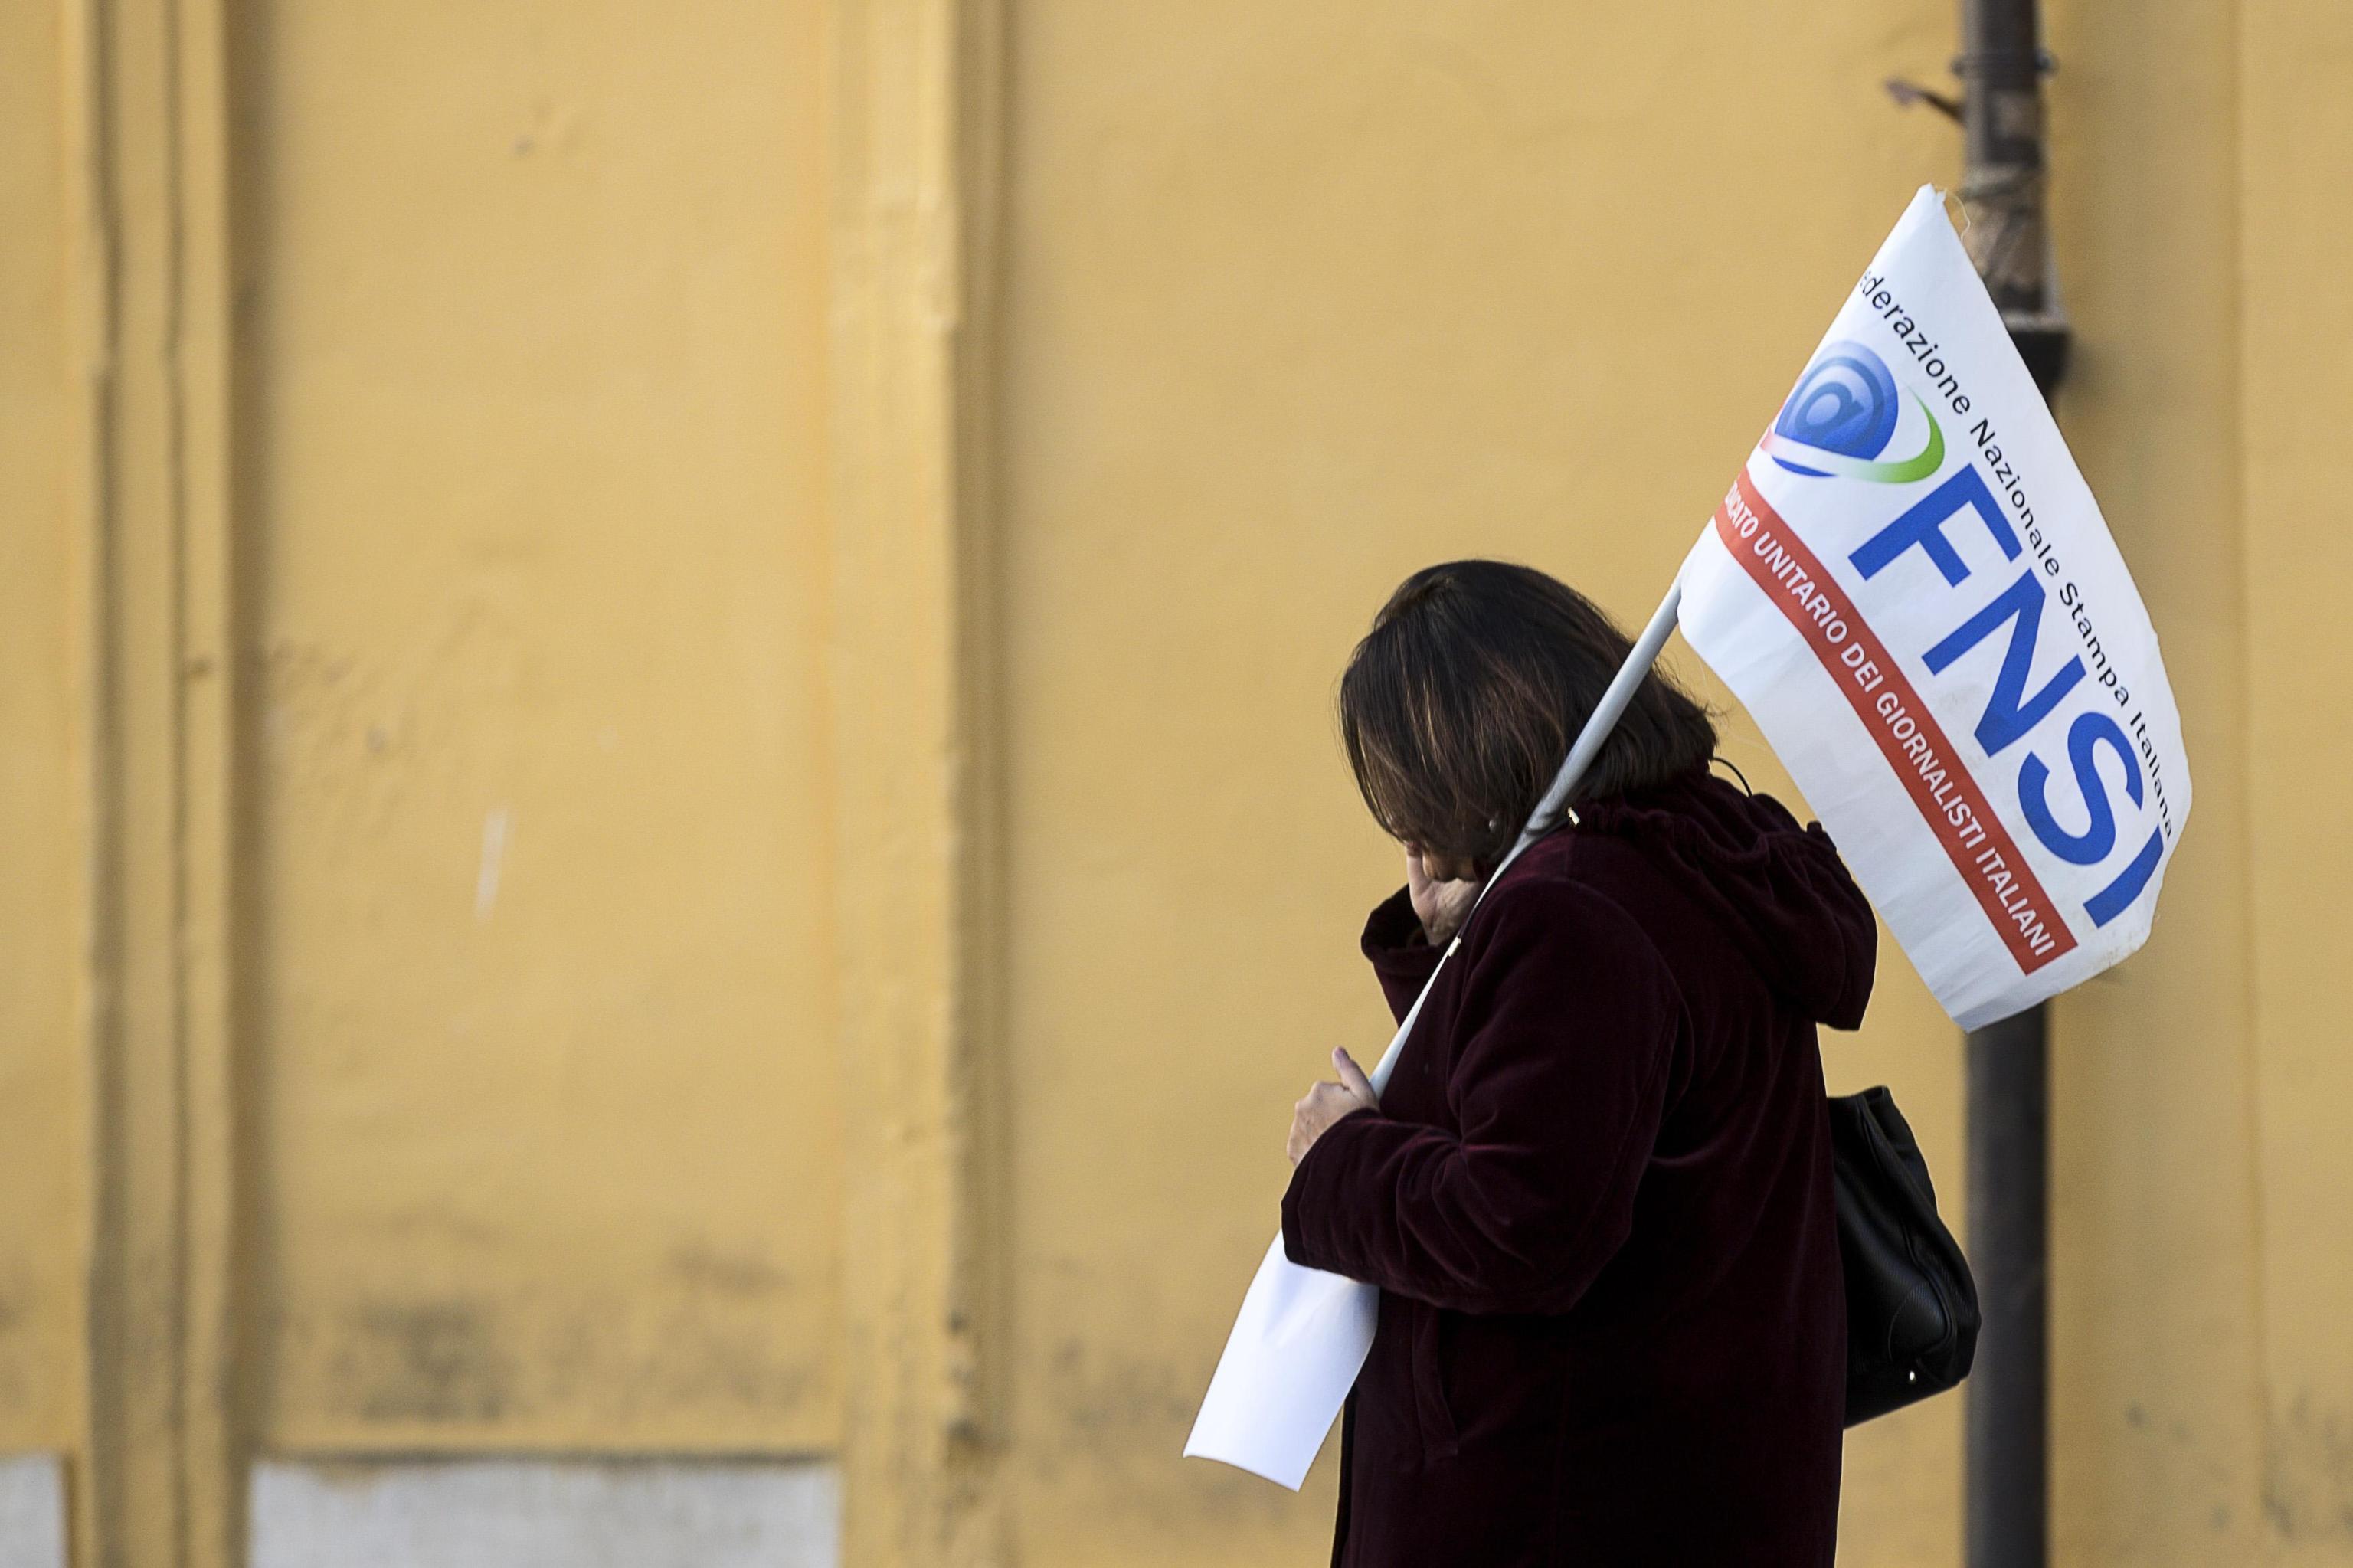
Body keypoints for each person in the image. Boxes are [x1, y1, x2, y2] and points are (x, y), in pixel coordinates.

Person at [1282, 560, 1876, 1566]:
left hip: (1555, 1510)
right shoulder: (1702, 854)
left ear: (1470, 753)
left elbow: (1525, 1224)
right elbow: (1567, 1102)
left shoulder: (1574, 910)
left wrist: (1343, 1163)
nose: (1405, 829)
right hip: (1690, 1492)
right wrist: (1457, 943)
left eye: (1410, 789)